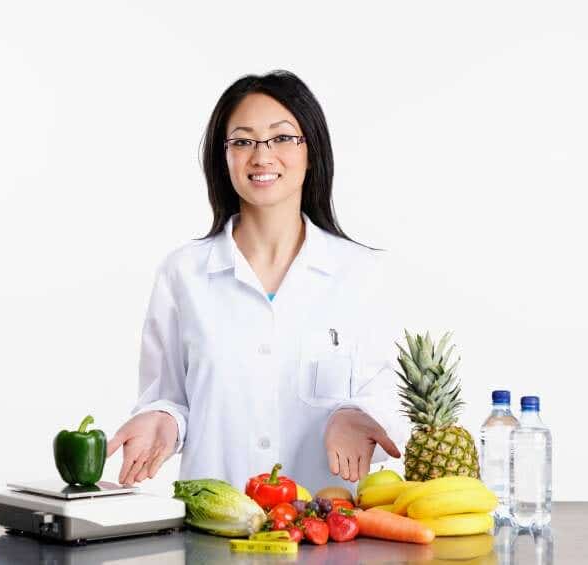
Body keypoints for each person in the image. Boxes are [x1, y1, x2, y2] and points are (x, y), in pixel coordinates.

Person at [106, 70, 403, 494]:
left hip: (329, 535)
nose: (262, 156)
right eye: (243, 141)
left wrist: (357, 415)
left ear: (312, 150)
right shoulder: (183, 273)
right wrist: (163, 420)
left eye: (282, 138)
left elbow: (390, 399)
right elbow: (167, 395)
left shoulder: (361, 275)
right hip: (213, 532)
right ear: (222, 157)